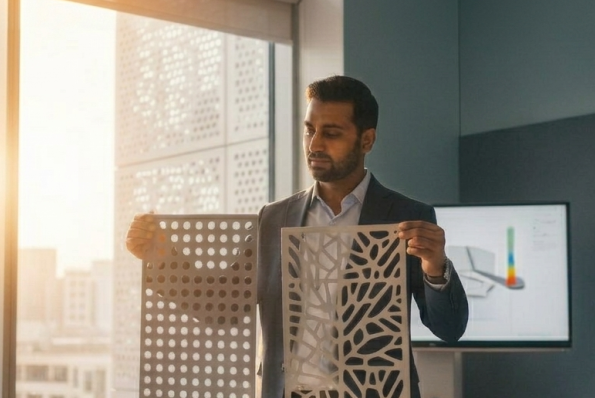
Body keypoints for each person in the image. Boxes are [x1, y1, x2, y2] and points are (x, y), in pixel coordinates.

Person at [128, 75, 469, 398]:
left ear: (366, 140)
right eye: (310, 131)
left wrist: (434, 267)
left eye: (331, 133)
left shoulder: (405, 217)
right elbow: (223, 308)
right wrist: (163, 259)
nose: (315, 144)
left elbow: (449, 328)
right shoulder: (274, 219)